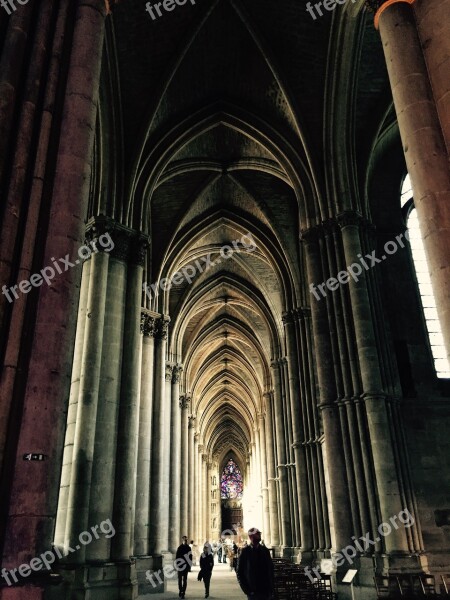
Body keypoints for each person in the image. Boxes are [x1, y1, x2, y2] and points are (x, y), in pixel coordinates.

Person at [237, 528, 274, 600]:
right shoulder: (245, 552)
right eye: (257, 534)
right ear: (251, 537)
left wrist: (271, 588)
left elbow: (270, 569)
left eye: (259, 534)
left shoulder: (265, 550)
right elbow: (239, 572)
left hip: (265, 589)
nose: (259, 535)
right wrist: (247, 590)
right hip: (252, 590)